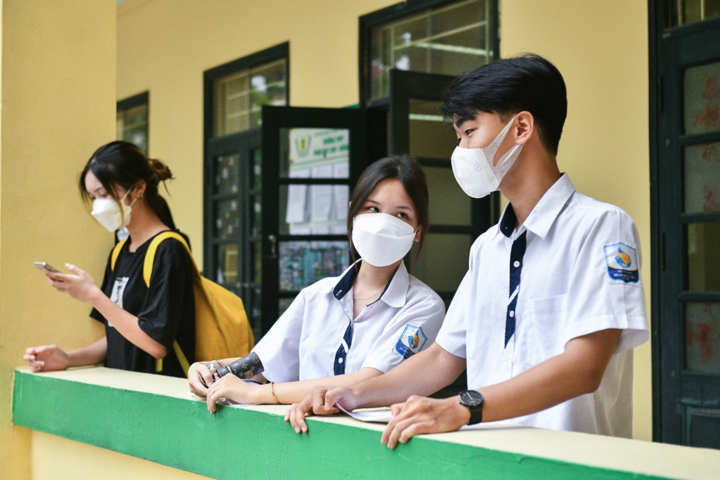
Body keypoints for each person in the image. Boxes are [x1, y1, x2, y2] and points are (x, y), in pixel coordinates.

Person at [295, 54, 649, 446]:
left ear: (522, 128)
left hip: (573, 463)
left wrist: (463, 407)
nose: (461, 149)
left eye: (468, 132)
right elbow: (443, 357)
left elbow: (584, 366)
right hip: (491, 459)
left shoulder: (599, 227)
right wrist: (354, 395)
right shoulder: (488, 248)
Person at [187, 156, 446, 422]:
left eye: (401, 214)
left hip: (378, 447)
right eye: (372, 208)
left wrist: (260, 394)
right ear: (353, 214)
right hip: (305, 439)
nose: (382, 224)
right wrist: (212, 370)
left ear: (417, 230)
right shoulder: (317, 295)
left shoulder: (424, 306)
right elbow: (262, 363)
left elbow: (366, 383)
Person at [24, 141, 195, 378]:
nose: (98, 206)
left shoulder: (168, 250)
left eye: (103, 194)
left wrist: (94, 295)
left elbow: (156, 345)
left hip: (158, 398)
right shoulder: (119, 253)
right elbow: (118, 335)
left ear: (138, 188)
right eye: (93, 197)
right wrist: (68, 359)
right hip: (122, 394)